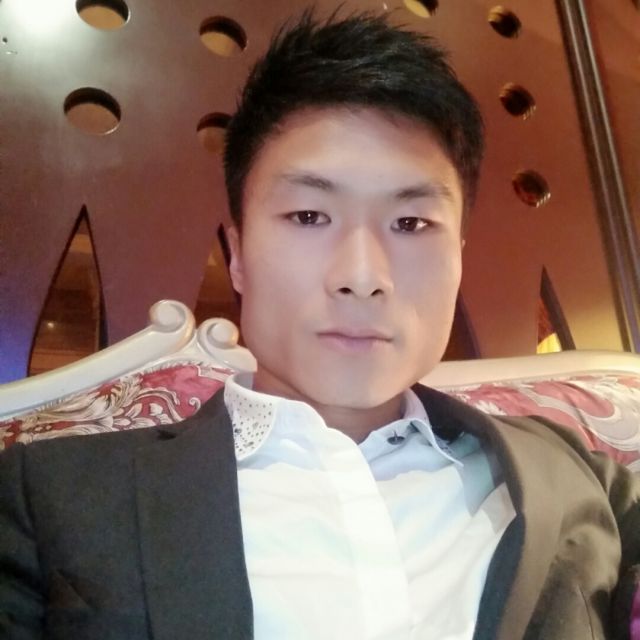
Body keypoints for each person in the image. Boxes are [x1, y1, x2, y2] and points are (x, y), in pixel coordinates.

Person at [1, 10, 639, 640]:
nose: (362, 276)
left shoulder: (583, 474)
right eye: (309, 216)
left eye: (411, 223)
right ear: (238, 256)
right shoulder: (51, 497)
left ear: (459, 259)